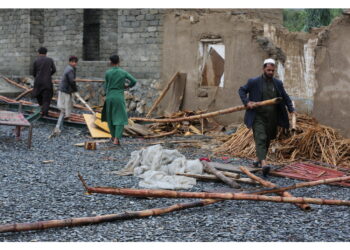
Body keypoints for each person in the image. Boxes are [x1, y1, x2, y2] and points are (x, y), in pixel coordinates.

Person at [238, 58, 295, 176]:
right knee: (261, 137)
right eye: (268, 70)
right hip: (257, 116)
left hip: (272, 117)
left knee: (268, 139)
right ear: (263, 69)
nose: (270, 72)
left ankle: (258, 160)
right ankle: (264, 164)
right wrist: (247, 102)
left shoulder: (277, 83)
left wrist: (291, 109)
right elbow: (242, 90)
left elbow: (285, 96)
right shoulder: (254, 82)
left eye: (272, 71)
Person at [101, 55, 137, 145]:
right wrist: (127, 86)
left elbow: (106, 86)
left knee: (110, 118)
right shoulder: (123, 72)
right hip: (119, 96)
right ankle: (117, 139)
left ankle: (112, 137)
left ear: (110, 62)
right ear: (119, 62)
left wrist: (105, 94)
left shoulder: (108, 73)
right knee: (120, 117)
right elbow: (134, 81)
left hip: (109, 97)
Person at [32, 47, 56, 116]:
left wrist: (37, 77)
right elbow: (54, 70)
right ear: (46, 53)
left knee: (38, 95)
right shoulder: (50, 60)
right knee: (46, 99)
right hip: (47, 83)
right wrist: (48, 75)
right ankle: (45, 114)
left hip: (38, 82)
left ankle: (42, 109)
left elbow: (33, 73)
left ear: (38, 53)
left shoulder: (36, 61)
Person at [57, 56, 79, 120]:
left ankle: (66, 115)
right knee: (66, 103)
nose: (74, 63)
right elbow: (71, 81)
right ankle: (65, 115)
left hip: (66, 88)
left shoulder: (70, 68)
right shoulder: (70, 69)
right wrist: (75, 89)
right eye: (72, 62)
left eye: (75, 62)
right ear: (69, 62)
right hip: (65, 88)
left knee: (66, 103)